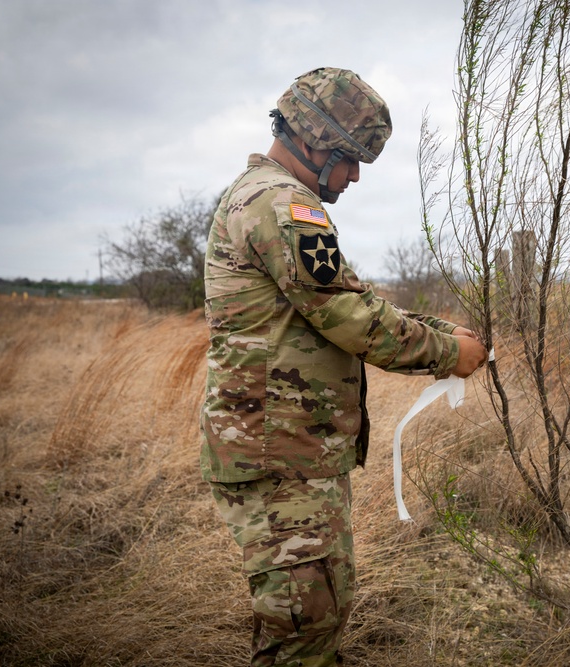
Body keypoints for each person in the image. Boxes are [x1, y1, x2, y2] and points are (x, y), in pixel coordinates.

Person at [200, 67, 488, 667]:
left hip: (284, 451)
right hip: (277, 456)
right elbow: (350, 318)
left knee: (312, 619)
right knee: (304, 631)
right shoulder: (282, 204)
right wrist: (445, 354)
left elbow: (341, 301)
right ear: (312, 138)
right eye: (350, 158)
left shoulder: (268, 196)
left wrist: (437, 331)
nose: (354, 176)